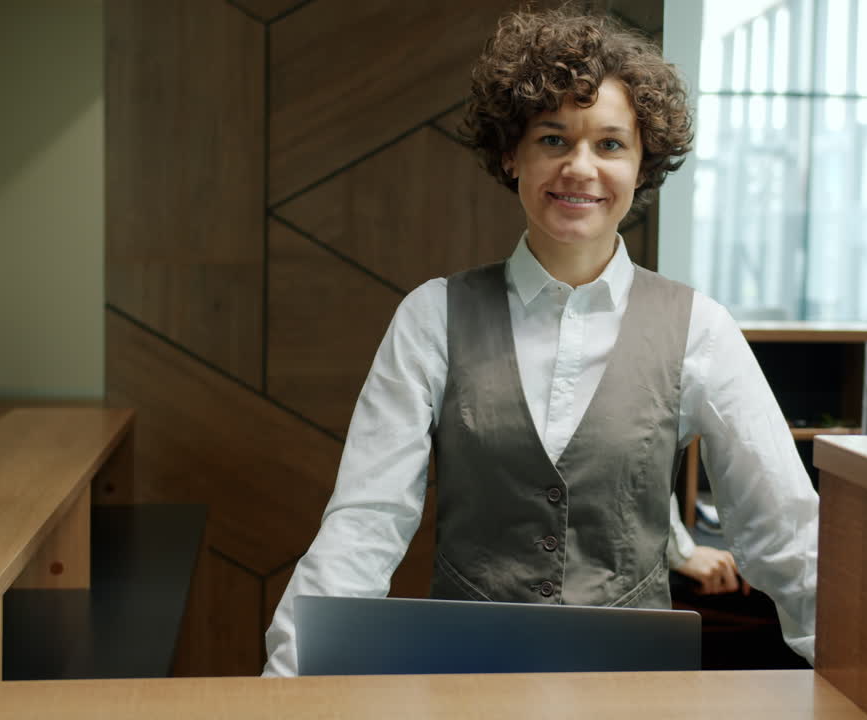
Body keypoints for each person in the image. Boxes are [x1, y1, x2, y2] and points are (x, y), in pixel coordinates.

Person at [262, 6, 818, 677]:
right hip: (465, 683)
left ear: (642, 165)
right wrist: (286, 682)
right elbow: (365, 522)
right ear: (511, 154)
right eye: (553, 139)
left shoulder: (700, 327)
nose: (580, 168)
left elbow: (785, 529)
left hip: (636, 688)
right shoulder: (432, 316)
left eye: (610, 144)